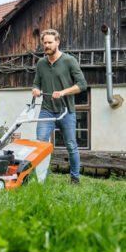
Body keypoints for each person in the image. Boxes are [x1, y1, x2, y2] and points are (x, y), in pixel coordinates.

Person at [32, 29, 87, 184]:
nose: (47, 45)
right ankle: (41, 180)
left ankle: (75, 178)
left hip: (66, 111)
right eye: (45, 43)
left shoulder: (69, 61)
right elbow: (36, 82)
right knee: (41, 143)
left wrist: (63, 92)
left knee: (71, 145)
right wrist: (35, 89)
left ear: (57, 42)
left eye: (50, 42)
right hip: (46, 110)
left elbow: (82, 85)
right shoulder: (41, 63)